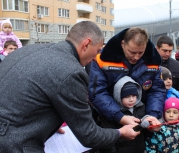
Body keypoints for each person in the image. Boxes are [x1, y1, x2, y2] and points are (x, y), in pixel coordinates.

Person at [0, 21, 140, 152]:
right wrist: (120, 132)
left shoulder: (28, 51)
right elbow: (89, 135)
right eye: (97, 51)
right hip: (14, 144)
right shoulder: (71, 72)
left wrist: (48, 126)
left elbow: (24, 97)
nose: (96, 57)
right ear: (86, 44)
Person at [88, 28, 165, 131]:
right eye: (132, 52)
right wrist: (120, 117)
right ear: (123, 44)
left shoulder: (153, 62)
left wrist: (153, 115)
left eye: (140, 53)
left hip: (142, 121)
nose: (136, 57)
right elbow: (97, 92)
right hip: (109, 122)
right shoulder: (101, 59)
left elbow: (156, 91)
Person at [100, 76, 146, 153]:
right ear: (118, 96)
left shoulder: (141, 107)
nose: (131, 99)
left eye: (134, 95)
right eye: (127, 96)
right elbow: (108, 138)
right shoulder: (112, 113)